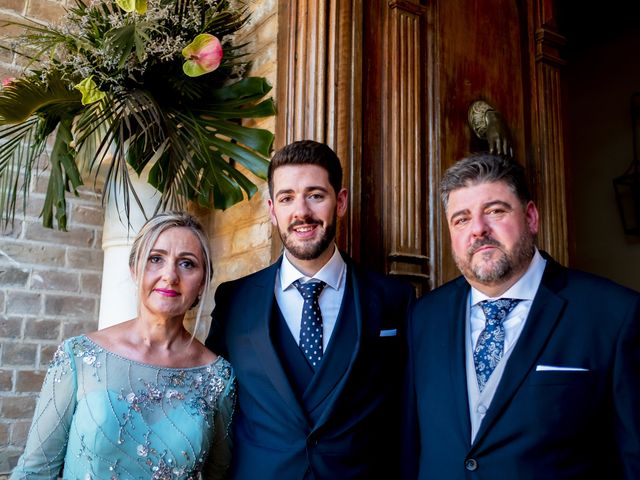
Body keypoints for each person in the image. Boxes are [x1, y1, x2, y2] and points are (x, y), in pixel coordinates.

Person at [403, 153, 640, 479]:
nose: (478, 230)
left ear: (531, 217)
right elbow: (410, 446)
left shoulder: (614, 314)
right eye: (461, 219)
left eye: (495, 211)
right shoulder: (423, 317)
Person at [205, 140, 415, 479]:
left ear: (340, 202)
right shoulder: (234, 300)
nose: (301, 211)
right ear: (273, 210)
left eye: (315, 195)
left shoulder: (393, 299)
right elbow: (211, 407)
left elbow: (407, 415)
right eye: (287, 198)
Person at [12, 212, 236, 480]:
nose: (169, 275)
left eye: (187, 264)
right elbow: (34, 471)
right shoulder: (80, 356)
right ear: (135, 269)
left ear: (202, 283)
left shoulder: (218, 377)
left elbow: (219, 474)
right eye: (155, 259)